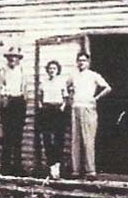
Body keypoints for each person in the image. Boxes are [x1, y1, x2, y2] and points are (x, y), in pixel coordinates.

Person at [67, 51, 112, 180]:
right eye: (79, 60)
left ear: (88, 62)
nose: (81, 63)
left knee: (88, 139)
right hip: (76, 107)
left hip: (88, 108)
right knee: (75, 140)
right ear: (77, 62)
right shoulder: (73, 76)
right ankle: (76, 170)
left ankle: (90, 171)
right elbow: (66, 87)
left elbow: (107, 88)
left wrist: (96, 98)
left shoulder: (93, 75)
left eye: (84, 60)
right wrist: (70, 96)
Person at [0, 46, 27, 176]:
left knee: (18, 136)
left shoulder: (21, 71)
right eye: (10, 57)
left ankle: (18, 167)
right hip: (8, 101)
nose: (12, 59)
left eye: (15, 57)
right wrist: (4, 100)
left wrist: (23, 101)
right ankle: (5, 167)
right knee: (7, 136)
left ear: (18, 59)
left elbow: (25, 88)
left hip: (19, 102)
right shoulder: (3, 71)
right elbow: (1, 87)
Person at [39, 60, 67, 179]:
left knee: (58, 138)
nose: (52, 71)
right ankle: (50, 165)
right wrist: (41, 106)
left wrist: (62, 107)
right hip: (46, 109)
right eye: (50, 68)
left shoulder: (61, 82)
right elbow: (40, 96)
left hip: (58, 110)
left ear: (58, 70)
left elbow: (65, 97)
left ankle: (57, 166)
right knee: (47, 138)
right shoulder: (43, 82)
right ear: (47, 70)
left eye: (54, 68)